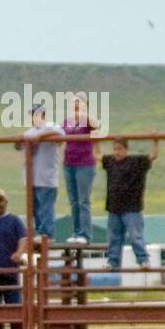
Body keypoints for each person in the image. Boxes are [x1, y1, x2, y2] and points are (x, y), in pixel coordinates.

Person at [101, 136, 160, 269]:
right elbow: (97, 155)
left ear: (126, 149)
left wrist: (155, 141)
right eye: (115, 149)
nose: (117, 152)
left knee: (135, 236)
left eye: (120, 149)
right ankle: (112, 262)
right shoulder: (110, 161)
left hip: (131, 208)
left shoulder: (136, 162)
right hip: (114, 208)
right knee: (114, 238)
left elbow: (153, 156)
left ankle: (143, 260)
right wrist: (95, 142)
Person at [15, 103, 64, 240]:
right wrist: (18, 140)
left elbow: (61, 132)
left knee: (45, 208)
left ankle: (47, 234)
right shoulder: (29, 132)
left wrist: (41, 136)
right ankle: (38, 232)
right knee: (34, 209)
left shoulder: (51, 127)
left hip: (46, 177)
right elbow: (18, 145)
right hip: (32, 177)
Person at [61, 92, 100, 244]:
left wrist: (84, 114)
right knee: (74, 200)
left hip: (84, 164)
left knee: (84, 200)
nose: (76, 105)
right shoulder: (67, 122)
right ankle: (76, 232)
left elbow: (97, 125)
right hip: (69, 163)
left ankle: (85, 234)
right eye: (73, 103)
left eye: (79, 102)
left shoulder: (87, 121)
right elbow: (60, 134)